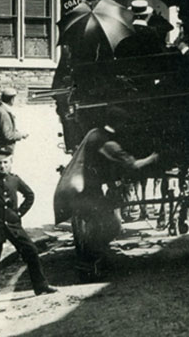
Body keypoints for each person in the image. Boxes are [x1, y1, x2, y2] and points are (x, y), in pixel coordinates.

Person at [54, 108, 161, 273]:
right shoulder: (106, 142)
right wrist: (152, 158)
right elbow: (132, 165)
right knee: (112, 224)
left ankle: (93, 258)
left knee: (99, 222)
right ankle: (93, 261)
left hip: (77, 186)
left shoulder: (93, 133)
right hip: (85, 190)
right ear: (119, 124)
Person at [0, 150, 56, 304]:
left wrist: (18, 214)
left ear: (11, 163)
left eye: (5, 162)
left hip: (13, 226)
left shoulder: (15, 180)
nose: (2, 166)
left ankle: (41, 286)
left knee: (31, 251)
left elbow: (30, 195)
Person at [0, 87, 27, 158]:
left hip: (2, 149)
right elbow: (7, 135)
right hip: (2, 150)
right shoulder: (3, 112)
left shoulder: (3, 110)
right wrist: (20, 135)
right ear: (12, 99)